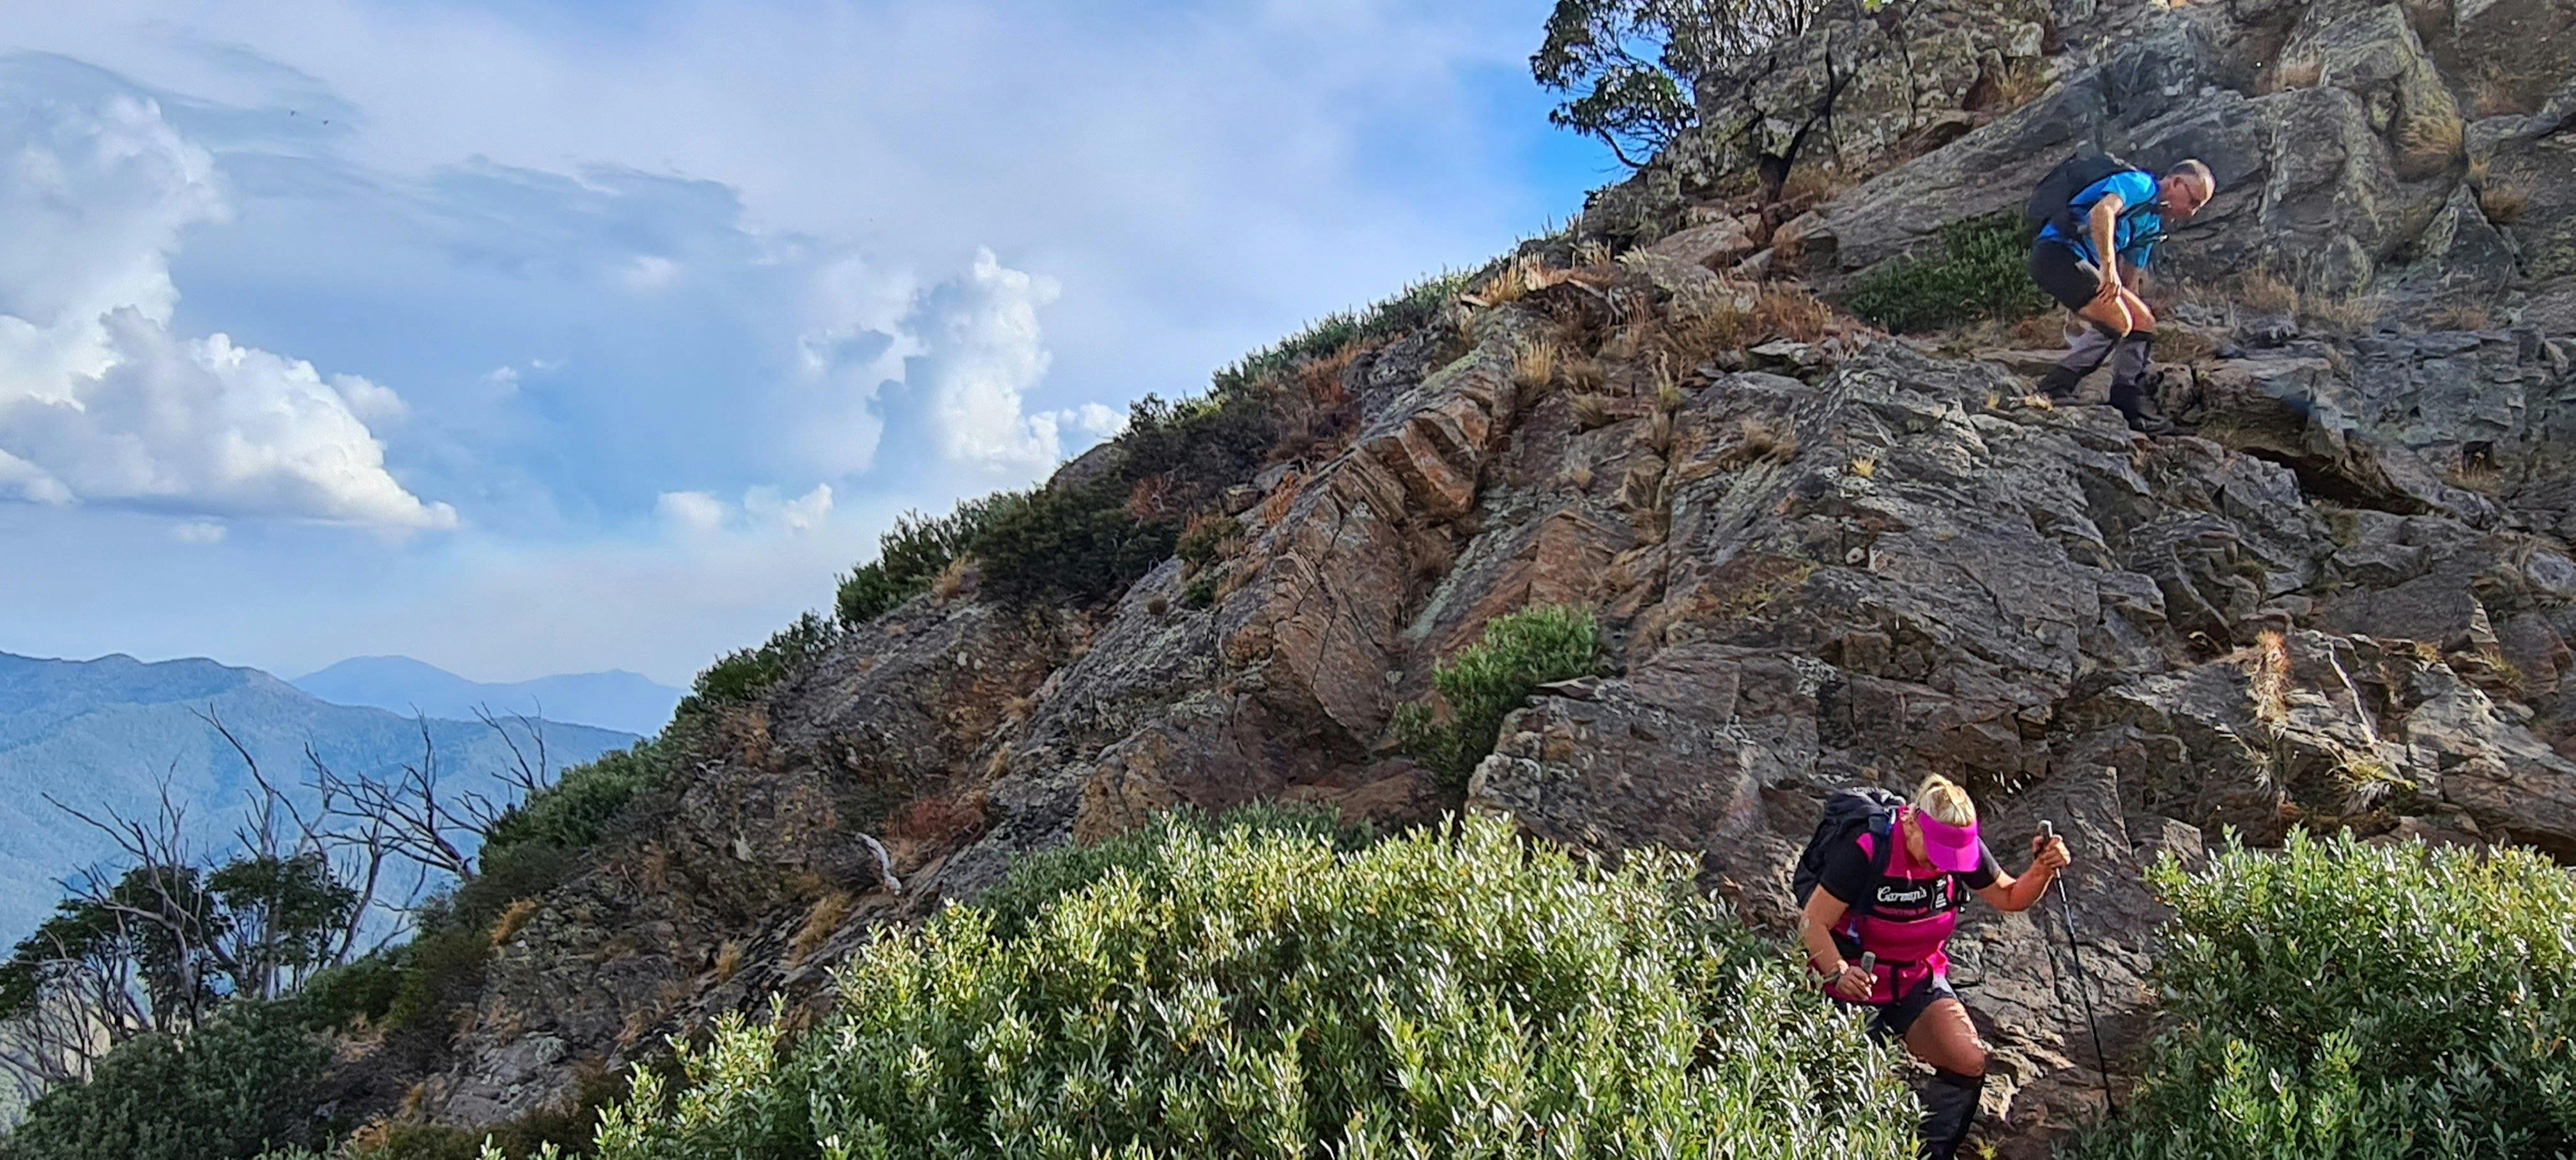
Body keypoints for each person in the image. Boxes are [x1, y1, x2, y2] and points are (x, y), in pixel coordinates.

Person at [1798, 775, 2073, 1159]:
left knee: (1969, 1060)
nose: (1941, 862)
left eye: (1952, 855)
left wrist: (2042, 870)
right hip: (1849, 987)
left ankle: (1927, 1154)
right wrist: (1839, 973)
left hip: (1914, 978)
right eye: (1936, 850)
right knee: (1840, 1093)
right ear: (1911, 822)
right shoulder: (1867, 849)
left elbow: (2010, 896)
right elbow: (1813, 924)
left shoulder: (1963, 850)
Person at [2028, 158, 2215, 434]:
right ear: (2176, 183)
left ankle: (2127, 406)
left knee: (2141, 321)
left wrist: (2131, 303)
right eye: (2193, 201)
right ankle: (2053, 388)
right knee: (2119, 321)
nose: (2192, 212)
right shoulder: (2140, 185)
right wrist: (2108, 269)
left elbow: (2129, 285)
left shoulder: (2151, 224)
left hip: (2083, 265)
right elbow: (2101, 213)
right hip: (2057, 254)